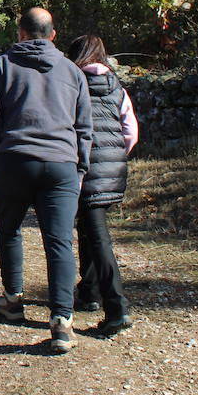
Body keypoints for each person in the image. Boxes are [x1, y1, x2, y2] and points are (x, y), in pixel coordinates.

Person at [0, 7, 93, 354]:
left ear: (20, 33)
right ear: (53, 35)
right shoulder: (73, 71)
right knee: (60, 242)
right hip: (61, 164)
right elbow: (84, 127)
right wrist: (80, 169)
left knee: (10, 228)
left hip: (15, 159)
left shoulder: (1, 66)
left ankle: (13, 300)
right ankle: (61, 321)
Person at [66, 34, 138, 335]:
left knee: (97, 235)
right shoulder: (116, 86)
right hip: (112, 165)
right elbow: (130, 131)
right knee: (89, 226)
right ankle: (90, 292)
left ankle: (117, 308)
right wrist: (115, 156)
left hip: (83, 164)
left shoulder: (71, 83)